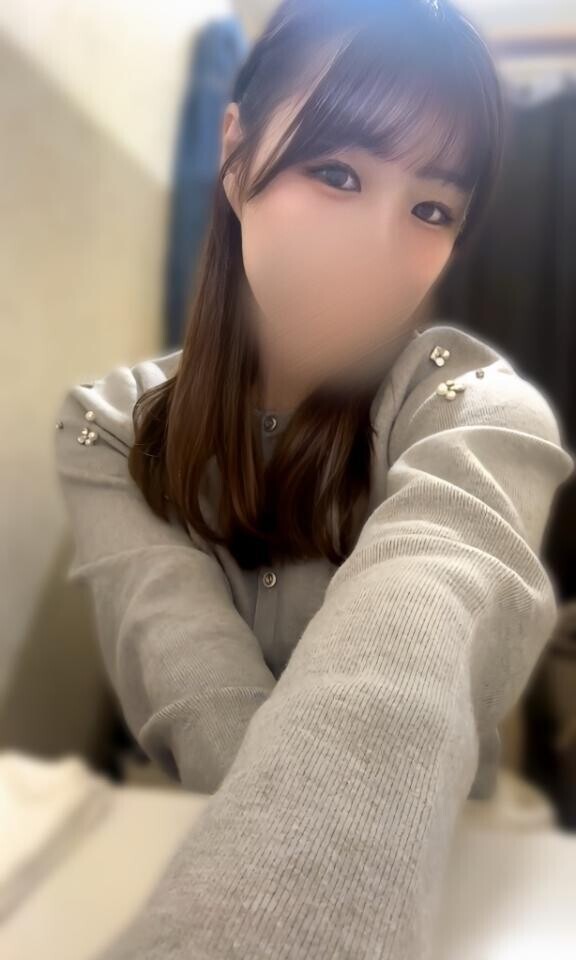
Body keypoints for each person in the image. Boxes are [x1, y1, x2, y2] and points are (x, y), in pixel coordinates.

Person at [53, 1, 574, 957]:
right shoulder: (109, 428)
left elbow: (405, 668)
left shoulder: (481, 415)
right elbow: (198, 693)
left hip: (459, 897)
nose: (381, 250)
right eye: (336, 172)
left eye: (432, 209)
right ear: (235, 153)